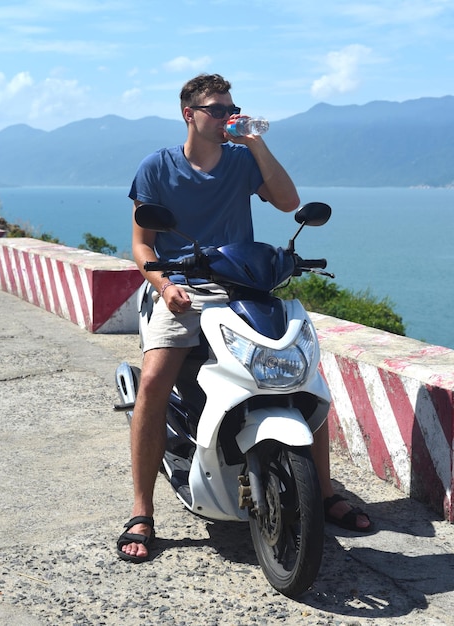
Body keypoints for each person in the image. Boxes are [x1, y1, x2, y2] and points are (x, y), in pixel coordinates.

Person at [117, 73, 372, 563]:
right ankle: (142, 509)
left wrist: (253, 141)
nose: (226, 116)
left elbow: (289, 202)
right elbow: (142, 244)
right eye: (216, 109)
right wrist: (165, 287)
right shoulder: (158, 167)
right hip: (181, 291)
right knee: (152, 383)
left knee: (302, 378)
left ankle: (321, 491)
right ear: (188, 114)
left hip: (242, 287)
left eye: (231, 108)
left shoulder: (240, 160)